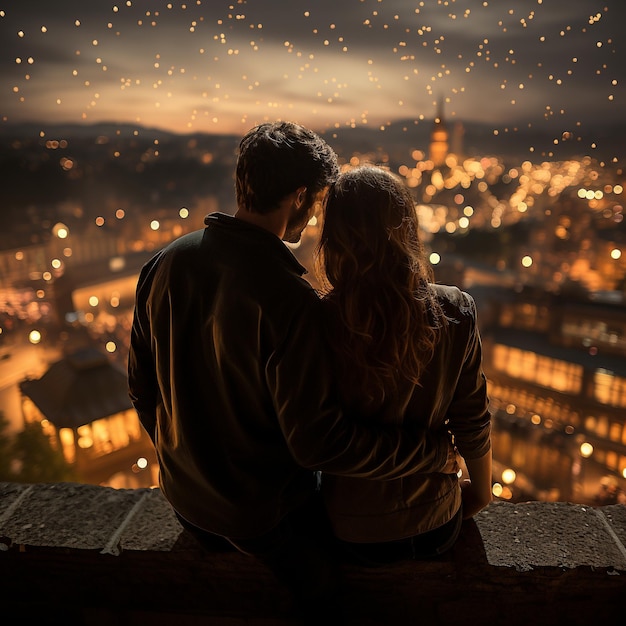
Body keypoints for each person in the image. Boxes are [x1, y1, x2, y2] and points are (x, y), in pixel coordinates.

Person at [127, 122, 459, 616]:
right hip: (260, 517)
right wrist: (431, 453)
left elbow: (141, 386)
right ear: (300, 195)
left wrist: (187, 459)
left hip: (183, 499)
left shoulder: (165, 263)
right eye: (318, 202)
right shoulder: (290, 299)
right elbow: (319, 443)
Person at [316, 164, 492, 566]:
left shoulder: (320, 319)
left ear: (335, 237)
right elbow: (473, 418)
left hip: (348, 526)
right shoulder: (455, 310)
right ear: (407, 227)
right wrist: (480, 493)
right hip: (435, 521)